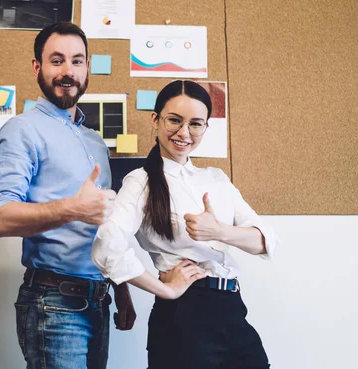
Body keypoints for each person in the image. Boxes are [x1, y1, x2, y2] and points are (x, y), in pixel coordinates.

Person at [0, 22, 198, 369]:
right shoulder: (21, 130)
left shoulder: (94, 141)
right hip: (53, 303)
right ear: (37, 67)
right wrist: (72, 208)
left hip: (99, 300)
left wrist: (121, 286)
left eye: (77, 61)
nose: (68, 71)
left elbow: (105, 227)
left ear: (87, 68)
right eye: (57, 61)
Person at [92, 80, 279, 369]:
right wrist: (163, 289)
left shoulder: (216, 178)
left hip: (232, 307)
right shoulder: (140, 182)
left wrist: (218, 231)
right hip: (184, 314)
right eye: (174, 121)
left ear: (205, 127)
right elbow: (107, 243)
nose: (184, 132)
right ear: (155, 120)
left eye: (195, 124)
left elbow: (265, 242)